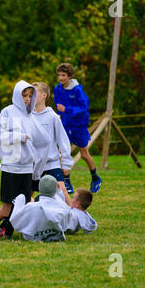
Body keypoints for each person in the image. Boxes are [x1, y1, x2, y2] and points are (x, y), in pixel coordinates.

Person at [0, 80, 50, 238]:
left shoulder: (30, 115)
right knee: (8, 204)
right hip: (11, 166)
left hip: (27, 167)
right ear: (17, 95)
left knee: (24, 204)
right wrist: (20, 137)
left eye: (30, 96)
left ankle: (8, 231)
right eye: (24, 95)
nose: (27, 99)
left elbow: (43, 139)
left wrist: (39, 155)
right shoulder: (8, 112)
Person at [53, 63, 102, 193]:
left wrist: (67, 109)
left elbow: (84, 108)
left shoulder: (78, 90)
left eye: (63, 75)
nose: (61, 78)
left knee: (84, 154)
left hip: (79, 125)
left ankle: (95, 178)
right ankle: (66, 181)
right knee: (63, 152)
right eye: (59, 75)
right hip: (65, 125)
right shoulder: (57, 89)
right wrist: (59, 115)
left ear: (70, 76)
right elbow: (58, 106)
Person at [10, 175, 97, 242]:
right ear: (55, 191)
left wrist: (19, 200)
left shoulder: (31, 207)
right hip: (55, 235)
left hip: (32, 236)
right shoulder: (65, 209)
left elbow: (15, 221)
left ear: (40, 188)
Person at [31, 82, 73, 196]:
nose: (31, 97)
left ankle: (70, 213)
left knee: (62, 191)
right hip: (34, 165)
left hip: (52, 163)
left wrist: (66, 163)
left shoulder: (52, 116)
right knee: (27, 194)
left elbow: (63, 140)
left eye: (34, 93)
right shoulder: (28, 116)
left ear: (44, 95)